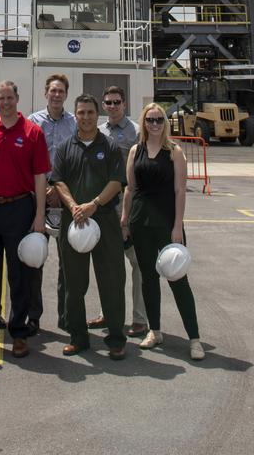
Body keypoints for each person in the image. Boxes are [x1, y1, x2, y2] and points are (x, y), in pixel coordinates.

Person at [0, 80, 50, 359]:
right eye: (1, 98)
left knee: (21, 274)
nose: (5, 102)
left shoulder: (33, 132)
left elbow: (40, 177)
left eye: (9, 97)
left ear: (18, 98)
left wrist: (39, 214)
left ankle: (19, 332)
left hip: (20, 209)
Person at [122, 101, 204, 361]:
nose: (154, 124)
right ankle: (154, 331)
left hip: (168, 224)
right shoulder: (136, 151)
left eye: (159, 120)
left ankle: (194, 338)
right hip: (140, 222)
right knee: (148, 279)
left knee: (179, 280)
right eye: (150, 120)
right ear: (144, 122)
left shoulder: (175, 151)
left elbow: (180, 190)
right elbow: (130, 188)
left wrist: (178, 225)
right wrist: (125, 219)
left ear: (165, 124)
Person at [52, 94, 127, 359]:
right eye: (81, 113)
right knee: (74, 283)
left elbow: (117, 182)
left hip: (104, 220)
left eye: (90, 113)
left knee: (112, 281)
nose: (85, 117)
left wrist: (93, 204)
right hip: (74, 222)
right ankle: (78, 338)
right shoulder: (63, 148)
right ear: (76, 115)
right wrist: (73, 206)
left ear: (98, 115)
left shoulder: (110, 146)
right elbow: (58, 181)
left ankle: (116, 339)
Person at [89, 85, 146, 335]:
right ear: (103, 105)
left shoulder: (136, 132)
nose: (112, 107)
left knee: (137, 263)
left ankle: (140, 318)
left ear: (125, 104)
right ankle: (108, 312)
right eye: (108, 103)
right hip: (104, 204)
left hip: (129, 204)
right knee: (107, 264)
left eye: (117, 102)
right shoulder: (98, 132)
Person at [26, 73, 76, 332]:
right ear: (46, 92)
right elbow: (28, 161)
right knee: (35, 257)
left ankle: (66, 316)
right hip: (38, 199)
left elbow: (77, 161)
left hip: (65, 199)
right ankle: (33, 315)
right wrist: (44, 188)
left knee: (67, 261)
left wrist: (59, 188)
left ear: (66, 94)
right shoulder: (33, 122)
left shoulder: (75, 124)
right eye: (52, 90)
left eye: (61, 91)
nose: (56, 95)